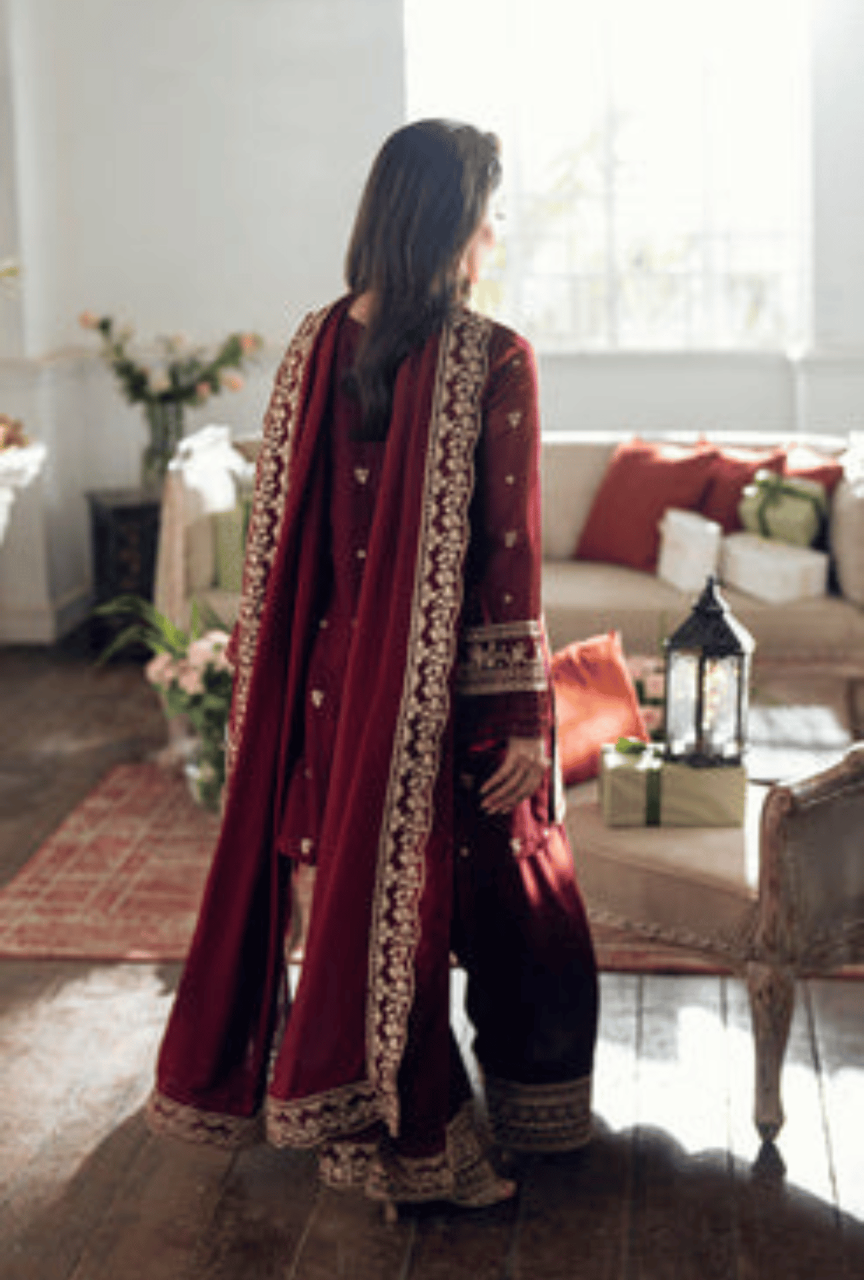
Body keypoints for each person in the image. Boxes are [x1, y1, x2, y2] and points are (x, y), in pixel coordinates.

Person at [146, 119, 598, 1211]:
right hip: (439, 698)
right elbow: (506, 555)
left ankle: (361, 1098)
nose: (499, 226)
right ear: (451, 217)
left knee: (360, 897)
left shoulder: (312, 343)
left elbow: (292, 542)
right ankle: (440, 1124)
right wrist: (528, 723)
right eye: (489, 204)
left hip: (326, 689)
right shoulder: (496, 356)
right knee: (511, 888)